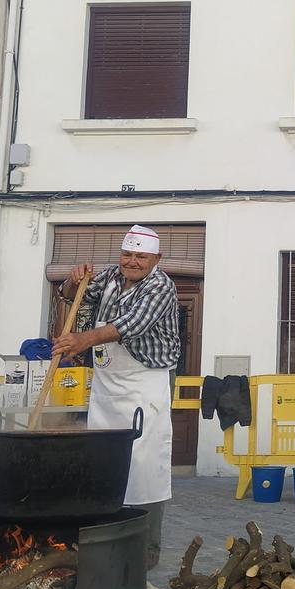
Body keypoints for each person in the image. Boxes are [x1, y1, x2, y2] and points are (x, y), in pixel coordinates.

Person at [52, 225, 180, 570]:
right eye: (127, 254)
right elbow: (71, 296)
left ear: (156, 259)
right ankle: (105, 538)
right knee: (102, 458)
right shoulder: (110, 276)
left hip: (145, 383)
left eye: (141, 256)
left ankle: (144, 551)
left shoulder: (161, 286)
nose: (132, 261)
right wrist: (73, 281)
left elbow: (130, 325)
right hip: (108, 384)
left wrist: (81, 340)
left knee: (143, 464)